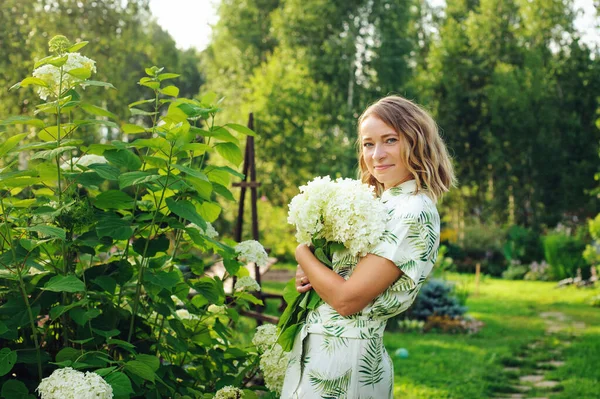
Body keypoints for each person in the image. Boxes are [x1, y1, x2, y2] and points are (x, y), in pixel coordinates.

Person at [280, 95, 456, 399]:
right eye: (368, 144)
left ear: (417, 142)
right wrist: (315, 269)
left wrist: (301, 253)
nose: (377, 155)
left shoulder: (412, 210)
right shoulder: (383, 203)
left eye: (390, 140)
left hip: (345, 361)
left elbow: (348, 300)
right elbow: (343, 278)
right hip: (321, 350)